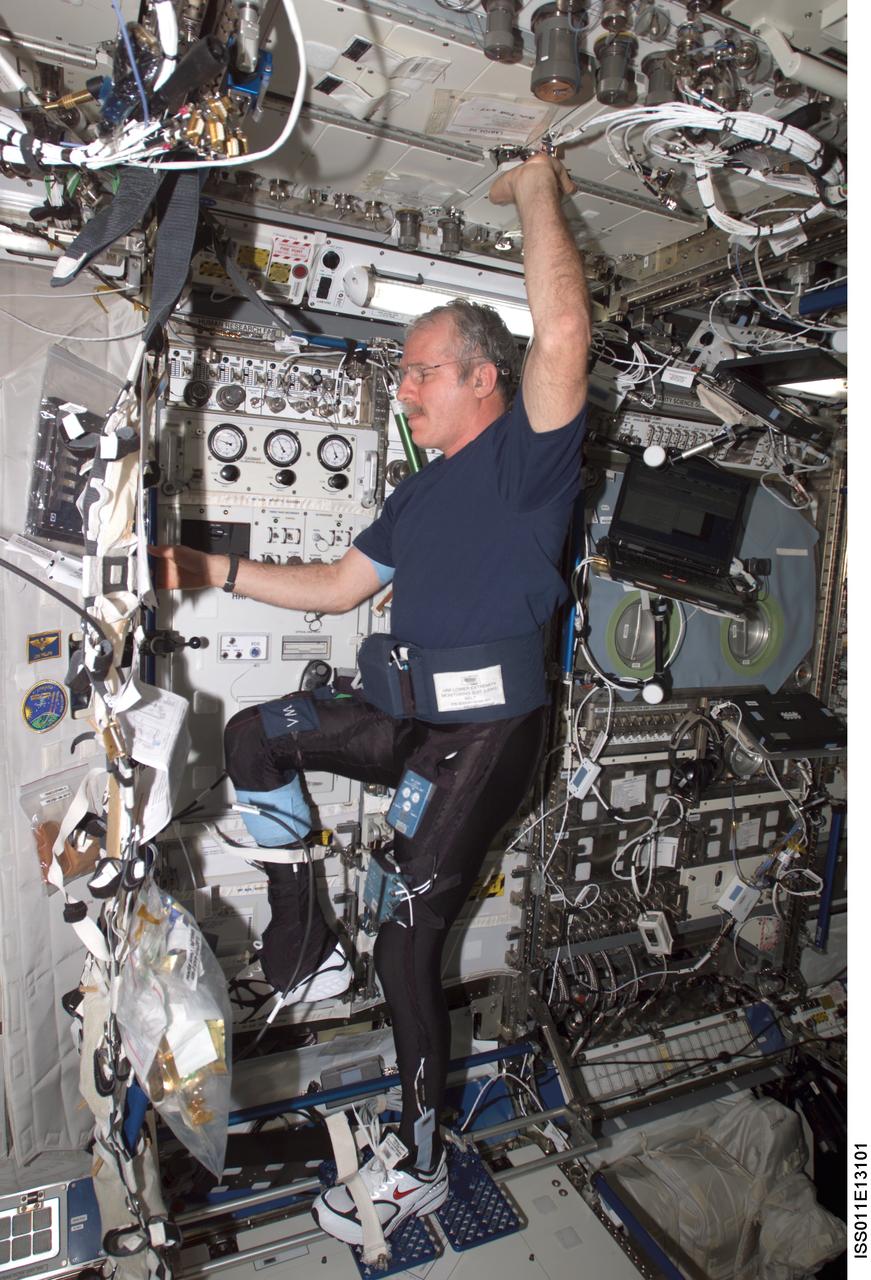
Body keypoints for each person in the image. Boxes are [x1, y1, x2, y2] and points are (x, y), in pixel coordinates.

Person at [150, 151, 590, 1244]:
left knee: (410, 935)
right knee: (255, 734)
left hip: (489, 731)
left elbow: (565, 334)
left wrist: (534, 182)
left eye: (420, 369)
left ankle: (421, 1166)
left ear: (485, 376)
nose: (403, 386)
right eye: (402, 371)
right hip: (411, 717)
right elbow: (339, 585)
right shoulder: (421, 492)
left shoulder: (525, 462)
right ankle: (304, 942)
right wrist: (209, 567)